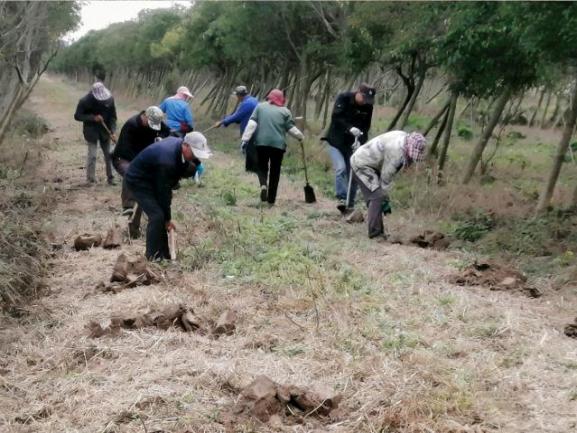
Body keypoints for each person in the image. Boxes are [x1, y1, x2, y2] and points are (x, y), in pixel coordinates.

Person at [125, 132, 212, 260]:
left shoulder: (178, 145)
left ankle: (164, 254)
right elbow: (163, 194)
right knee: (157, 216)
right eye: (194, 153)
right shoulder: (167, 162)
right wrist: (167, 219)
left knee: (160, 215)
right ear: (186, 145)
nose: (194, 157)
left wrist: (166, 219)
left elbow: (166, 186)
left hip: (152, 177)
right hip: (138, 179)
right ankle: (152, 257)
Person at [351, 131, 426, 239]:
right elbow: (385, 179)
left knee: (377, 197)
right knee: (377, 197)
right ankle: (375, 233)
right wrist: (386, 200)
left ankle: (379, 231)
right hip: (362, 163)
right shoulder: (396, 153)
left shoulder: (404, 138)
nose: (412, 160)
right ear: (408, 146)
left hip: (373, 163)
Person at [111, 106, 170, 235]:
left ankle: (146, 220)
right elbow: (126, 150)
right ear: (145, 116)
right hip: (124, 158)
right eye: (150, 124)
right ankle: (128, 206)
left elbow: (167, 131)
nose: (151, 127)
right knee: (131, 174)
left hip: (143, 158)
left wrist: (160, 138)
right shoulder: (131, 125)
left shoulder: (156, 121)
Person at [240, 89, 303, 206]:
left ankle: (263, 185)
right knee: (275, 171)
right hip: (278, 146)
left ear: (269, 97)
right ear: (281, 99)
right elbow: (291, 129)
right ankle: (271, 200)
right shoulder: (285, 111)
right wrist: (300, 137)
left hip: (261, 143)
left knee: (262, 166)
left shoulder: (260, 107)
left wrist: (245, 140)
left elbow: (252, 124)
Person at [323, 83, 376, 213]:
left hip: (353, 145)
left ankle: (349, 204)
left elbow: (366, 126)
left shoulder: (368, 106)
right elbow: (336, 117)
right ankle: (342, 199)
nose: (365, 102)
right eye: (364, 98)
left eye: (368, 100)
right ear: (358, 92)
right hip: (336, 141)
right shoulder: (344, 98)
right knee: (341, 169)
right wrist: (349, 128)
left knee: (354, 173)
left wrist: (361, 143)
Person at [74, 82, 117, 185]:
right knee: (92, 155)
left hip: (105, 131)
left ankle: (111, 178)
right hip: (91, 131)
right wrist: (93, 118)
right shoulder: (84, 101)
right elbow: (77, 116)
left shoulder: (110, 99)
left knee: (109, 154)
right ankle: (91, 179)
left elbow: (113, 117)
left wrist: (113, 131)